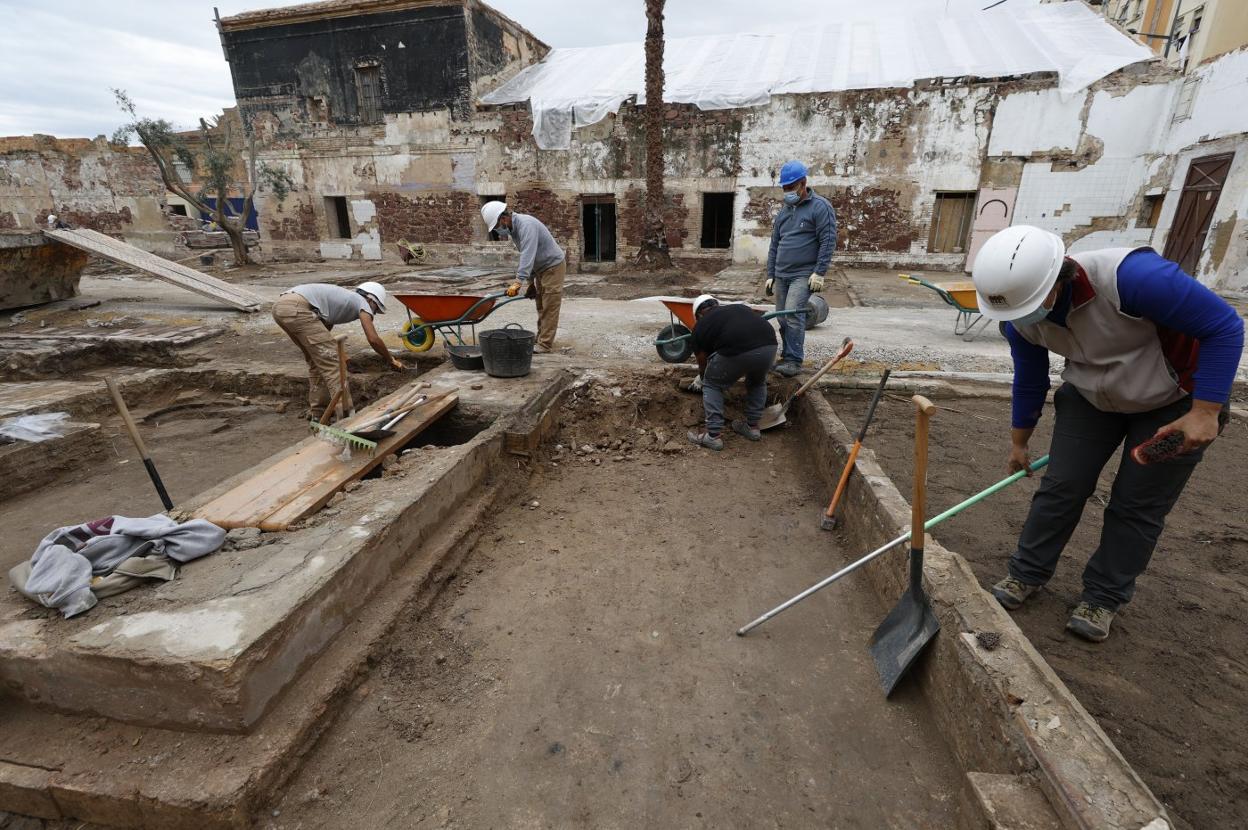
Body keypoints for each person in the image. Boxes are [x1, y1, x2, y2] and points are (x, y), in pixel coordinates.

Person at [972, 225, 1244, 642]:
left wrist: (1206, 410)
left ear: (1054, 283)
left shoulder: (1133, 279)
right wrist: (1019, 441)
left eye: (1025, 306)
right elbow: (1030, 376)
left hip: (1172, 400)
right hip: (1091, 397)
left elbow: (1225, 326)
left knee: (1135, 506)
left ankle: (1103, 597)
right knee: (1062, 486)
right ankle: (1025, 574)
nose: (1017, 320)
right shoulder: (1018, 318)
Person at [272, 281, 402, 418]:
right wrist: (391, 360)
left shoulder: (338, 301)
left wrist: (346, 357)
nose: (373, 313)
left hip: (281, 307)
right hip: (298, 309)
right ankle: (346, 416)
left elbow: (323, 337)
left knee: (316, 361)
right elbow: (373, 339)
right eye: (375, 309)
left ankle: (318, 414)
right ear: (371, 299)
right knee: (335, 366)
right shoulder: (362, 302)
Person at [765, 160, 837, 377]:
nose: (787, 192)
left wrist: (819, 272)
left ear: (803, 183)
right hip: (781, 273)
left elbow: (828, 240)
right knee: (782, 317)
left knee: (794, 314)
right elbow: (775, 243)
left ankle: (794, 360)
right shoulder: (785, 211)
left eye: (791, 187)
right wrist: (770, 274)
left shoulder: (820, 207)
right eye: (785, 188)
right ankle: (787, 355)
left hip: (802, 273)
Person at [686, 294, 779, 451]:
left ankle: (713, 436)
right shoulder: (738, 307)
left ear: (698, 315)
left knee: (712, 384)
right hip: (769, 346)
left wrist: (704, 379)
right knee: (756, 382)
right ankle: (752, 427)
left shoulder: (700, 326)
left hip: (739, 349)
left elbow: (702, 361)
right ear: (716, 305)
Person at [481, 200, 566, 353]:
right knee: (541, 305)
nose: (498, 231)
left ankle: (545, 344)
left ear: (504, 218)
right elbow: (530, 256)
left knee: (550, 306)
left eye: (497, 227)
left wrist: (518, 281)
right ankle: (541, 338)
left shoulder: (526, 225)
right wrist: (530, 282)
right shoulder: (515, 230)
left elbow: (528, 254)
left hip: (553, 266)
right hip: (541, 269)